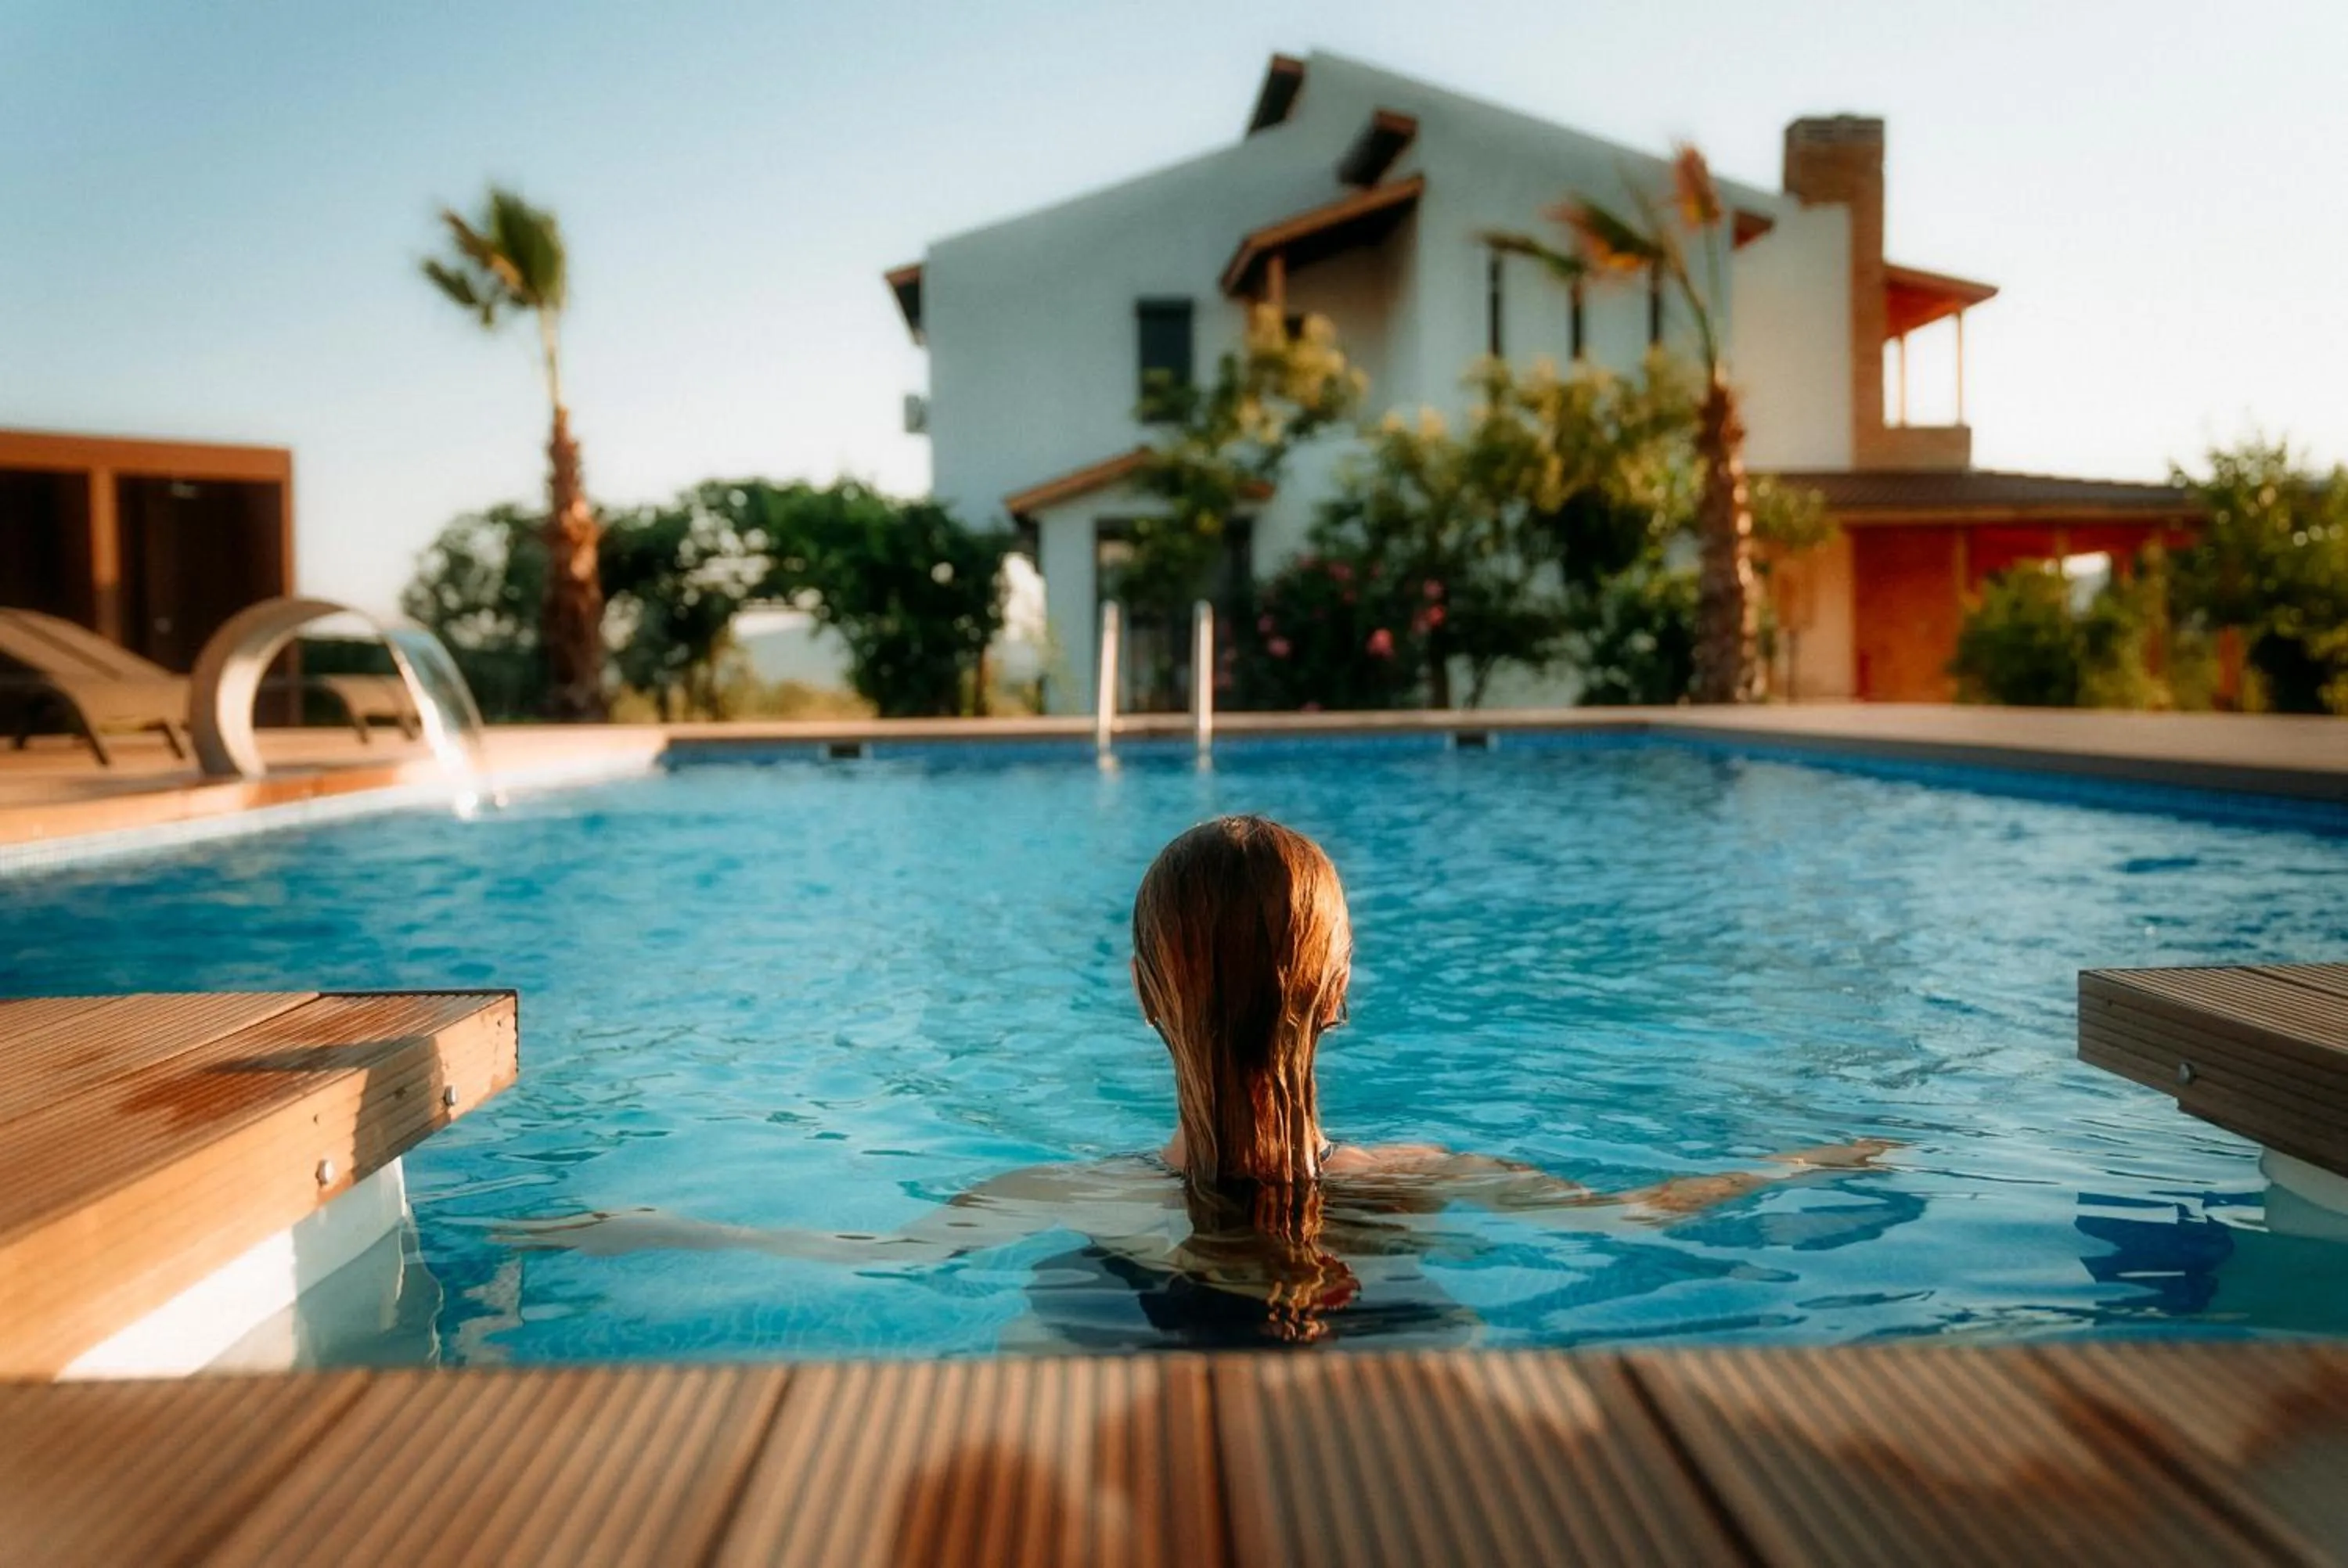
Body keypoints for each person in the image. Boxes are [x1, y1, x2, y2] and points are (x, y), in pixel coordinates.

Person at [501, 815, 1895, 1347]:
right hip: (1381, 1335)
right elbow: (1640, 1220)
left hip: (1122, 1348)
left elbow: (858, 1251)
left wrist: (641, 1227)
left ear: (1141, 993)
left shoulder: (1073, 1195)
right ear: (1338, 995)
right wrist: (1806, 1165)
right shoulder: (1424, 1186)